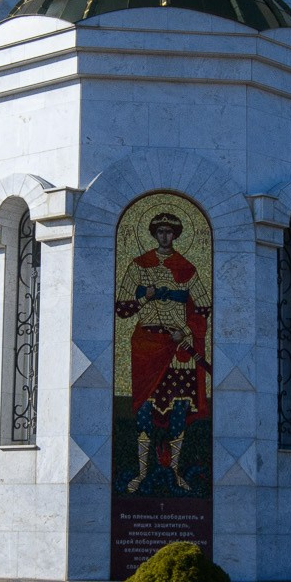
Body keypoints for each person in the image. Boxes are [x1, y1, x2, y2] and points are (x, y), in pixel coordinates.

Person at [116, 208, 210, 494]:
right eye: (160, 231)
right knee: (144, 409)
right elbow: (122, 308)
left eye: (169, 232)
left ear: (176, 235)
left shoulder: (187, 268)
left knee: (179, 408)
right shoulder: (138, 266)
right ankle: (142, 473)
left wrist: (187, 332)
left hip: (177, 346)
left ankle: (176, 472)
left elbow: (203, 306)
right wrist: (145, 296)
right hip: (146, 345)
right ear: (154, 234)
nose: (165, 236)